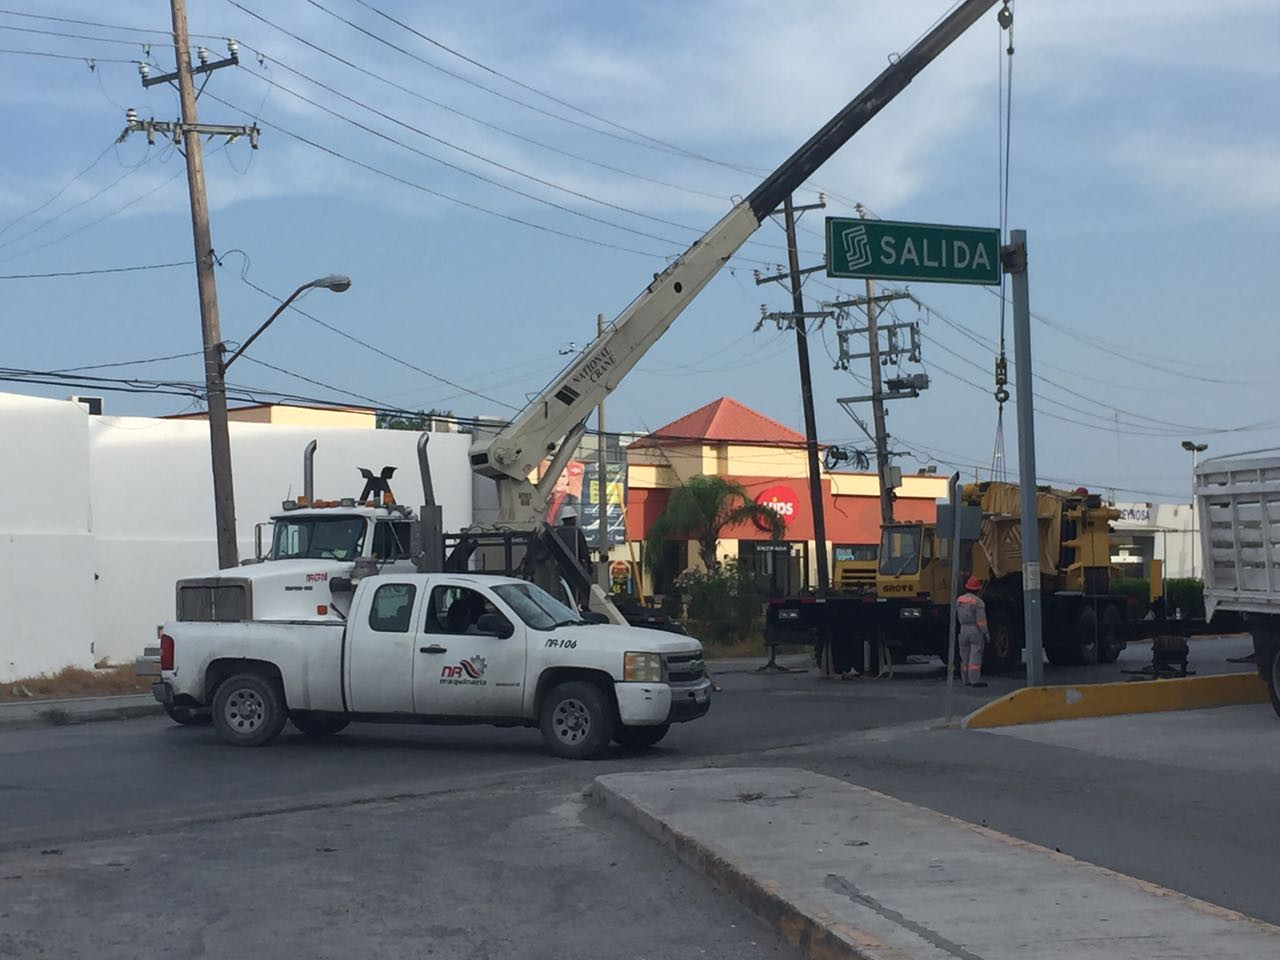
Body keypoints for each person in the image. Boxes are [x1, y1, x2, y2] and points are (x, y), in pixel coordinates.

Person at [956, 575, 989, 688]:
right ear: (978, 589)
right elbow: (981, 621)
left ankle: (965, 679)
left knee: (964, 655)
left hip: (963, 629)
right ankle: (975, 680)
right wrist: (986, 633)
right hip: (975, 630)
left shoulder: (959, 600)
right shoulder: (978, 602)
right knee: (975, 655)